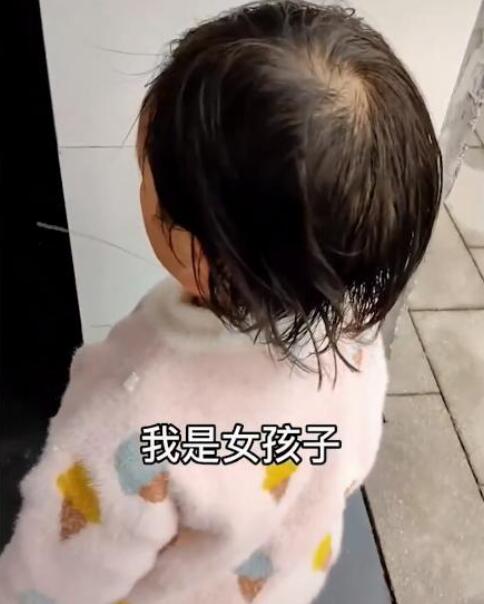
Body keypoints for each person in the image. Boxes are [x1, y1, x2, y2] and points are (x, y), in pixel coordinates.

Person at [0, 2, 442, 603]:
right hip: (282, 582)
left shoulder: (134, 413)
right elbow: (349, 458)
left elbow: (59, 574)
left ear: (197, 254)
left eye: (146, 170)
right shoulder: (352, 332)